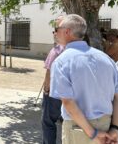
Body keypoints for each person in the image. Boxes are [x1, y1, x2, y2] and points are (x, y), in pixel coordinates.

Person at [50, 14, 118, 144]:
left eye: (57, 29)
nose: (54, 32)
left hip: (79, 128)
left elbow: (68, 102)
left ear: (67, 31)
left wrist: (92, 133)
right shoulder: (106, 59)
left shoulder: (61, 61)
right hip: (106, 125)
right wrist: (116, 128)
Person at [41, 16, 65, 144]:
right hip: (71, 93)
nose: (54, 33)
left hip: (54, 93)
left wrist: (46, 90)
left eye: (56, 29)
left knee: (48, 122)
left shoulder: (56, 50)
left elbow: (49, 72)